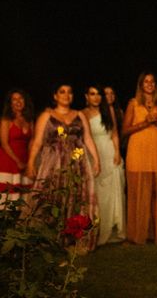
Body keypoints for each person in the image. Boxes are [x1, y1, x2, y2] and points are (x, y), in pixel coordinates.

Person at [25, 82, 101, 250]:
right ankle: (48, 238)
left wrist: (96, 160)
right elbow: (37, 141)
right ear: (55, 96)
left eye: (69, 92)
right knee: (52, 196)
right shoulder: (46, 115)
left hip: (77, 163)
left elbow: (88, 138)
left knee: (77, 197)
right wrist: (31, 162)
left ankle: (74, 238)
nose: (66, 95)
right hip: (53, 164)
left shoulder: (79, 115)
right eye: (62, 92)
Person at [121, 72, 157, 245]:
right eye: (146, 81)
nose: (149, 84)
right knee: (138, 192)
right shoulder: (133, 103)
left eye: (152, 81)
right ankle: (137, 234)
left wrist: (156, 122)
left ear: (155, 85)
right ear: (141, 85)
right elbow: (125, 130)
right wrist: (145, 122)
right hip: (138, 150)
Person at [82, 85, 126, 245]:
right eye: (92, 94)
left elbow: (114, 133)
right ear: (86, 96)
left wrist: (117, 152)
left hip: (109, 151)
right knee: (97, 192)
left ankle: (113, 229)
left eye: (98, 94)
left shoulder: (109, 111)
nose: (96, 97)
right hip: (94, 152)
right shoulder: (83, 113)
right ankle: (98, 230)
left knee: (113, 190)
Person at [0, 89, 34, 206]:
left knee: (23, 199)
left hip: (24, 159)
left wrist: (30, 161)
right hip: (9, 160)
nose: (18, 101)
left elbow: (32, 141)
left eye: (21, 98)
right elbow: (4, 143)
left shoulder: (29, 120)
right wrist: (17, 161)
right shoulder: (6, 120)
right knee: (7, 199)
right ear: (10, 103)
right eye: (14, 99)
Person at [104, 85, 125, 158]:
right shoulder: (98, 112)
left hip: (118, 146)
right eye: (106, 93)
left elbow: (122, 130)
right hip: (103, 146)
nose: (110, 96)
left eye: (112, 93)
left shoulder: (119, 112)